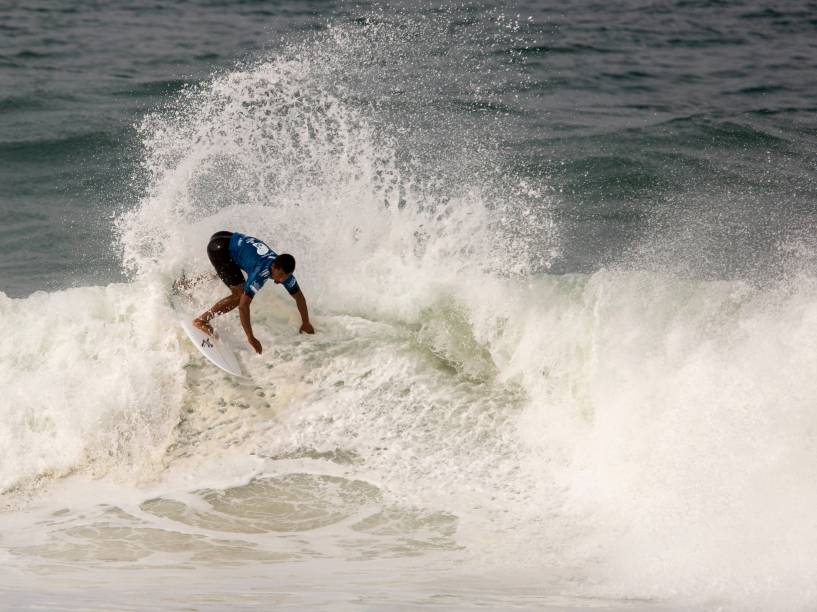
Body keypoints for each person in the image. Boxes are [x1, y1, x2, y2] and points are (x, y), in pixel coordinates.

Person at [193, 231, 314, 354]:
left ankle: (189, 283)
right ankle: (201, 320)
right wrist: (251, 338)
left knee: (228, 272)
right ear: (274, 267)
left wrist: (306, 322)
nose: (283, 280)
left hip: (225, 238)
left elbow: (299, 297)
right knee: (238, 295)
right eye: (281, 275)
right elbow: (243, 306)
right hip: (219, 250)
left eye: (286, 276)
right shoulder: (260, 273)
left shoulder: (283, 269)